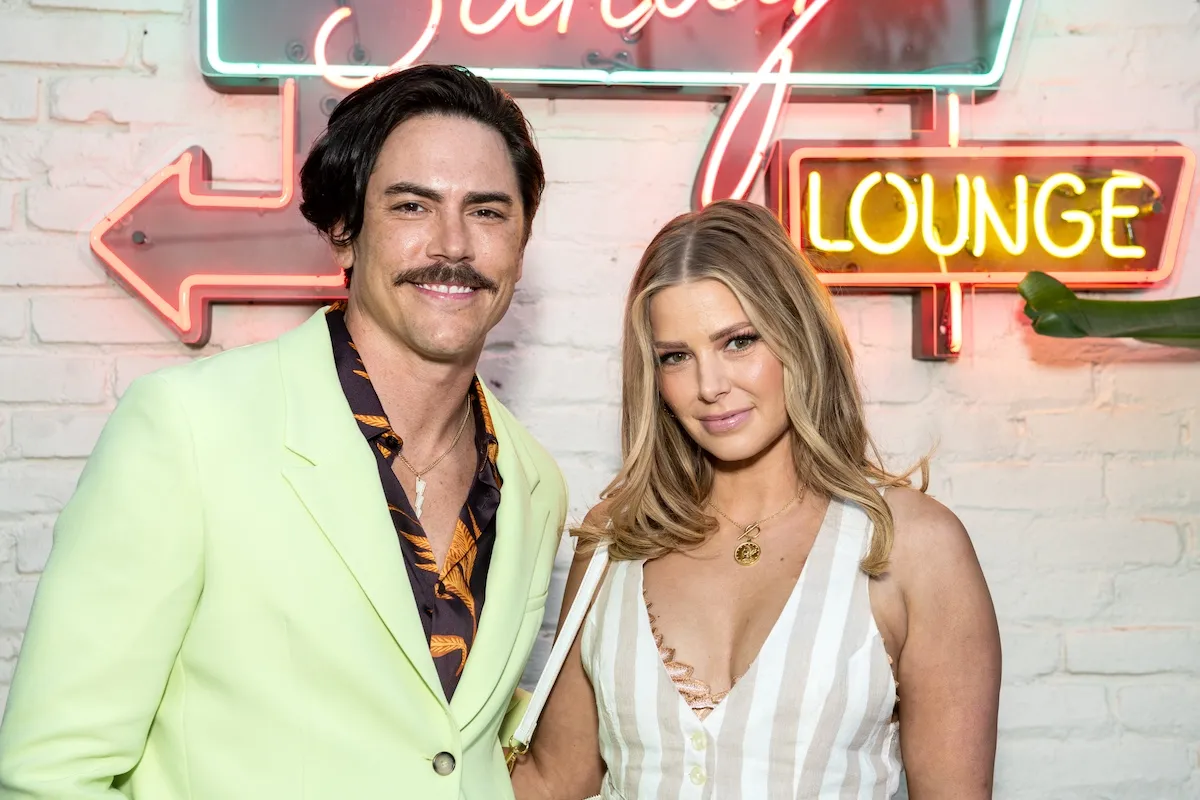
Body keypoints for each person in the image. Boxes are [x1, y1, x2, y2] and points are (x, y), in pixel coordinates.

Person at [0, 64, 567, 800]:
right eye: (411, 207)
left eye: (488, 212)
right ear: (344, 232)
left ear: (522, 242)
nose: (453, 244)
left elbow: (453, 742)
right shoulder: (189, 430)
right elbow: (51, 773)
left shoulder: (534, 483)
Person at [510, 199, 1001, 799]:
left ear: (798, 335)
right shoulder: (614, 543)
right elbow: (556, 780)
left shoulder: (912, 547)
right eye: (676, 357)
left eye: (738, 341)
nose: (711, 386)